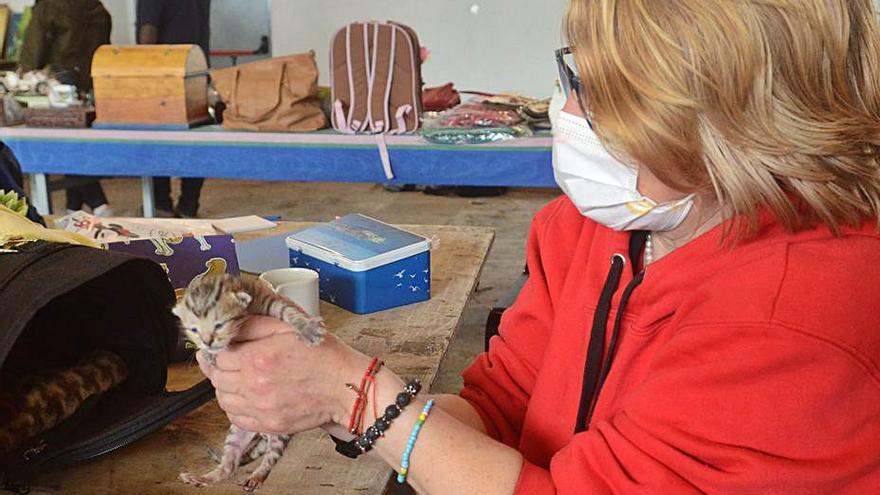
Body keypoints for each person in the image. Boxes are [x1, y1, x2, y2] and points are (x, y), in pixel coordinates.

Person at [197, 0, 880, 493]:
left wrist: (360, 398)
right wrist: (329, 399)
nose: (568, 113)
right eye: (576, 76)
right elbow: (502, 405)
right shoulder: (591, 229)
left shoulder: (795, 323)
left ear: (738, 133)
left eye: (613, 99)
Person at [19, 0, 113, 217]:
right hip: (91, 89)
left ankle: (99, 204)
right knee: (78, 148)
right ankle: (74, 210)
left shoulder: (49, 7)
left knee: (65, 152)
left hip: (58, 89)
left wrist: (24, 76)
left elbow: (34, 51)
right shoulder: (99, 9)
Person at [136, 0, 210, 218]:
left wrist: (144, 72)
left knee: (157, 141)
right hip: (196, 67)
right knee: (197, 139)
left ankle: (161, 204)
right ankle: (189, 204)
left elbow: (148, 30)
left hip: (163, 72)